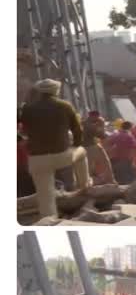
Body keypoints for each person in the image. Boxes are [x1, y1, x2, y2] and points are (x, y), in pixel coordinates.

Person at [20, 79, 89, 218]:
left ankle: (49, 220)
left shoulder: (27, 108)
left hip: (37, 159)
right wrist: (75, 145)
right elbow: (77, 130)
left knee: (46, 197)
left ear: (40, 92)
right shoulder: (65, 106)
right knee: (82, 152)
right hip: (62, 156)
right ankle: (83, 185)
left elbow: (24, 130)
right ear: (56, 91)